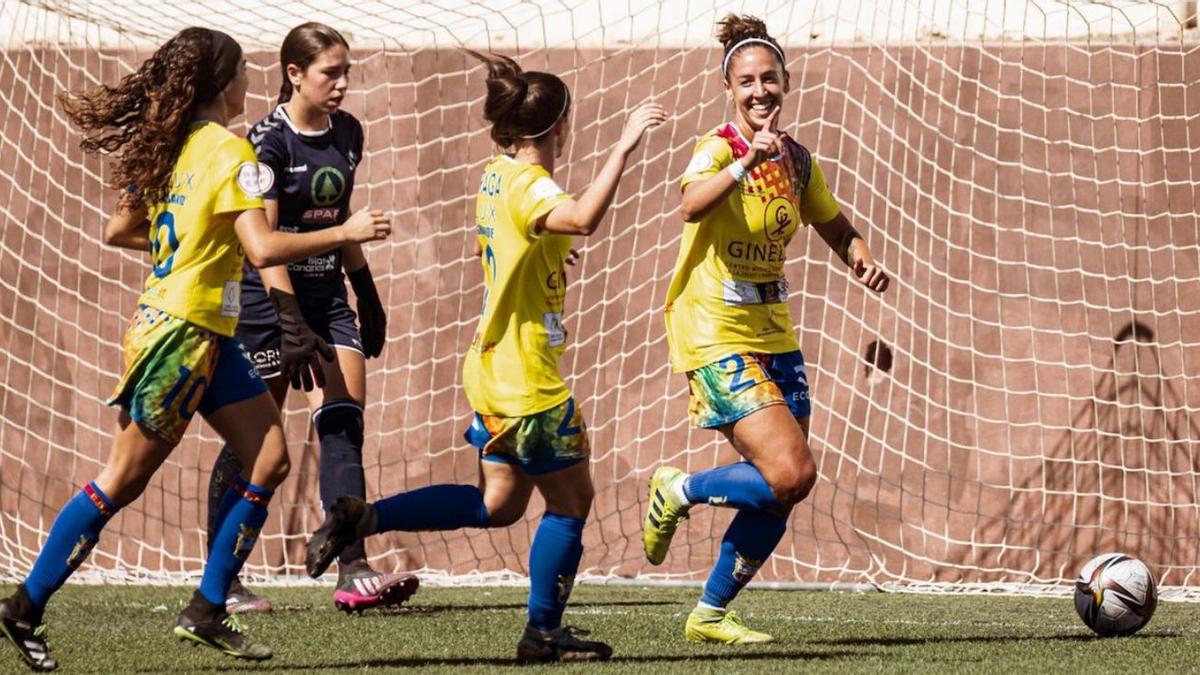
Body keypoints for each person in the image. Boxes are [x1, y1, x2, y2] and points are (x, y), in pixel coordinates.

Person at [0, 27, 390, 671]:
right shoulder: (233, 148)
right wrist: (344, 232)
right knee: (121, 479)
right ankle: (24, 606)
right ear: (221, 83)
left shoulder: (173, 144)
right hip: (179, 335)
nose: (246, 82)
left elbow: (122, 228)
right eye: (240, 72)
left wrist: (189, 249)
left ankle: (207, 608)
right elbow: (264, 248)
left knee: (268, 458)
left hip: (208, 330)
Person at [302, 50, 664, 662]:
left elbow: (509, 242)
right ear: (559, 126)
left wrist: (546, 254)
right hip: (527, 379)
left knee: (497, 504)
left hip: (490, 369)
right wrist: (624, 146)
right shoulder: (534, 184)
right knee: (572, 503)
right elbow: (580, 218)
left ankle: (364, 518)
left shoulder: (496, 174)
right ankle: (543, 632)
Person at [642, 13, 890, 644]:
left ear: (786, 82)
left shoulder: (799, 162)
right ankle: (681, 488)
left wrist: (859, 257)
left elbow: (834, 225)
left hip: (775, 334)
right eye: (747, 81)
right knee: (791, 472)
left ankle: (711, 613)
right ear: (730, 89)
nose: (759, 91)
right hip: (713, 331)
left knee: (785, 489)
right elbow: (690, 204)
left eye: (769, 79)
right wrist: (742, 163)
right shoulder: (721, 146)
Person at [205, 21, 417, 616]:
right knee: (257, 442)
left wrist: (365, 288)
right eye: (331, 72)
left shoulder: (349, 133)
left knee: (345, 416)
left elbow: (341, 217)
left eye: (347, 71)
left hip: (327, 294)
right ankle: (224, 577)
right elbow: (263, 243)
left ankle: (352, 565)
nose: (343, 83)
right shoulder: (264, 143)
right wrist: (288, 317)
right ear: (294, 74)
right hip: (269, 301)